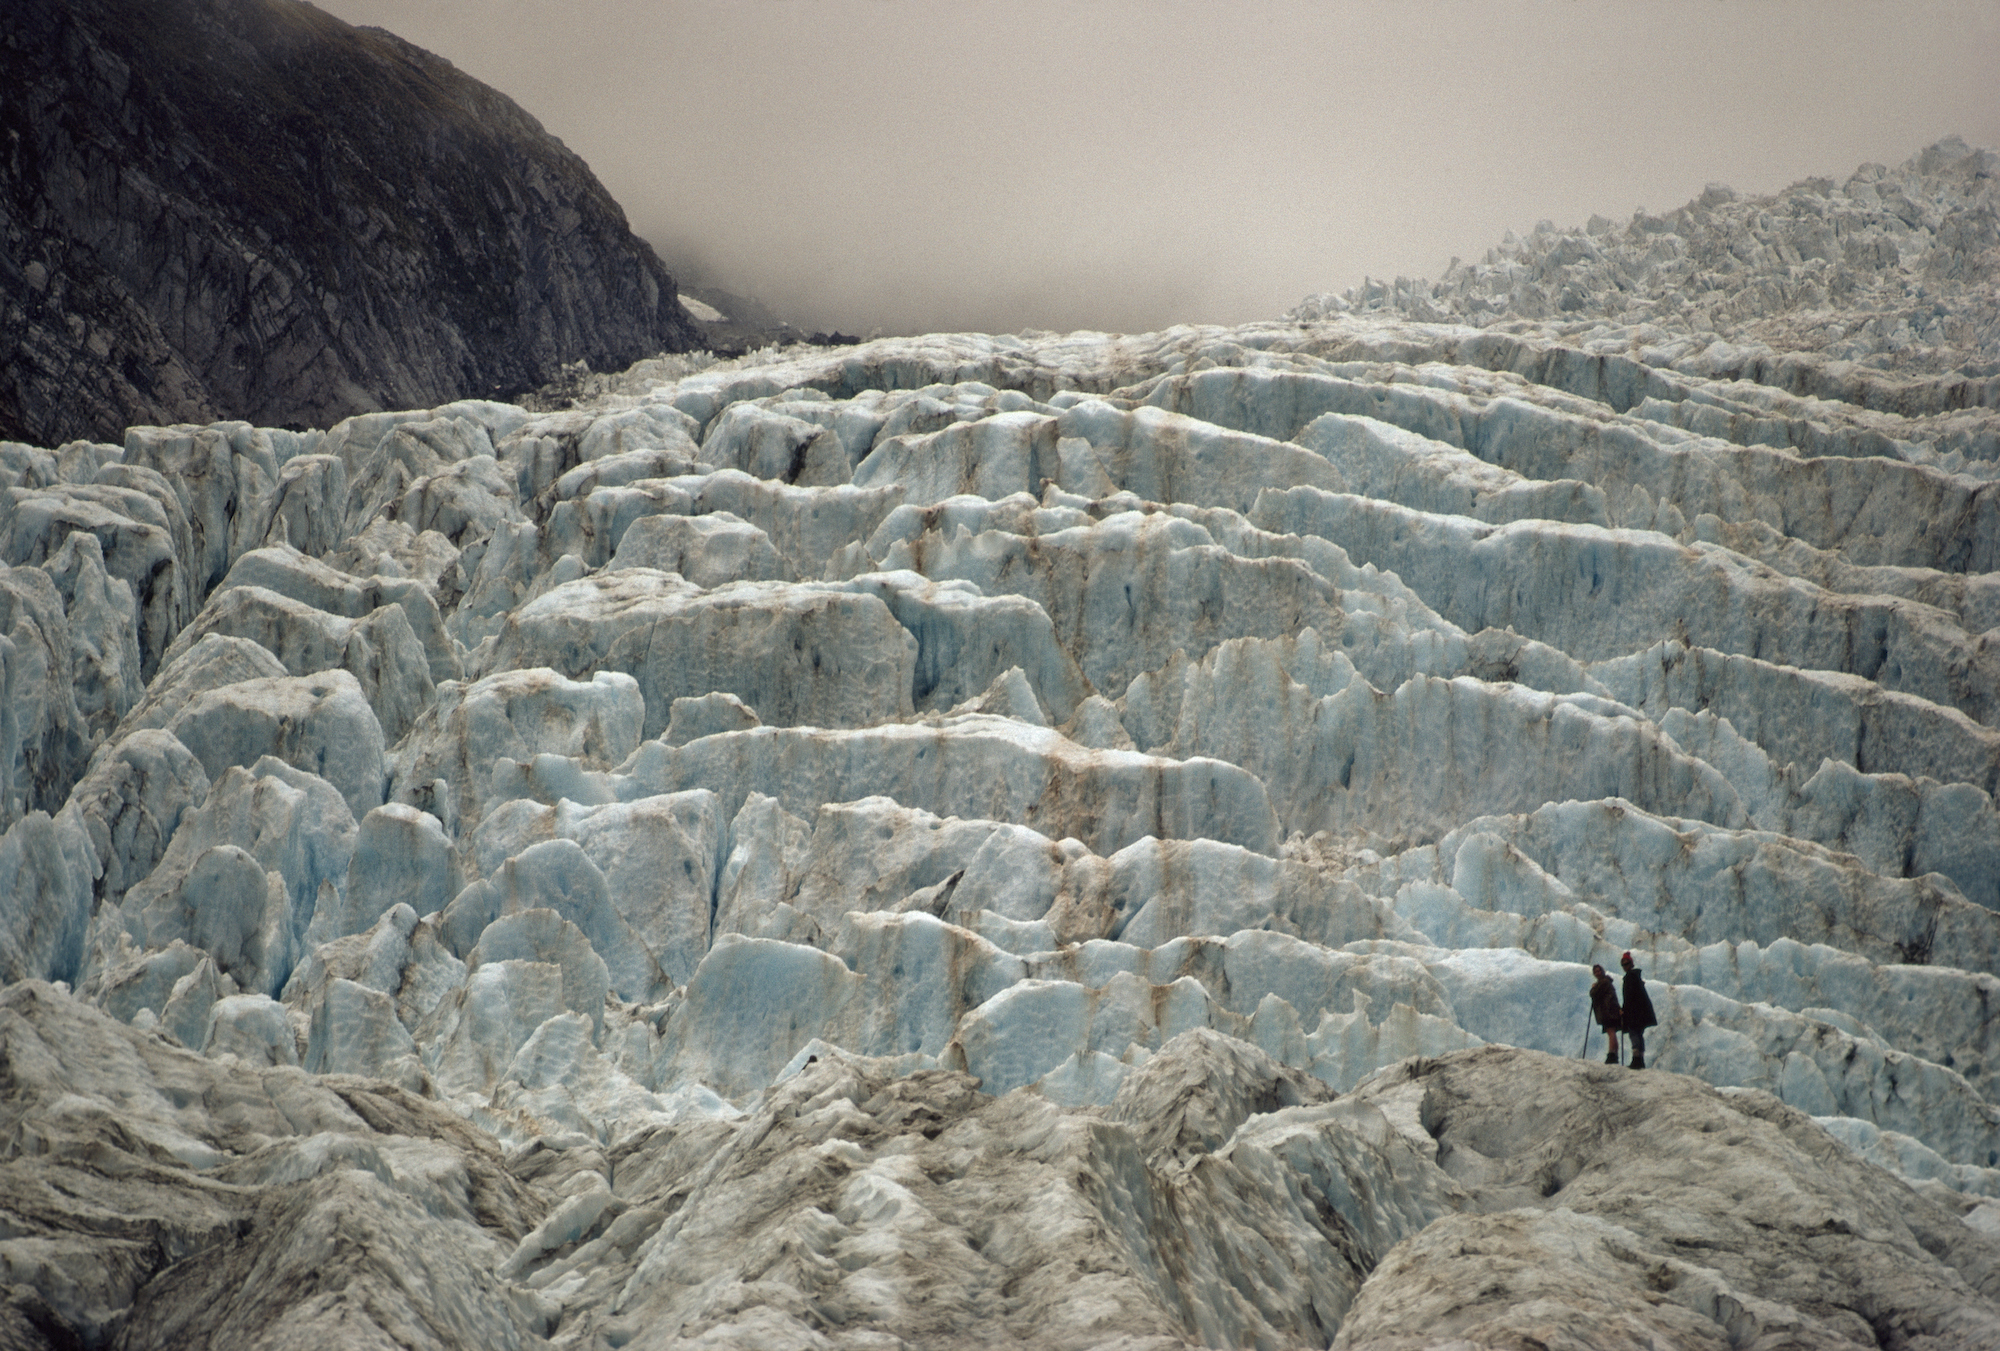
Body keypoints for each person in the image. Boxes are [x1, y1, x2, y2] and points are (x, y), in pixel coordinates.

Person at [1620, 951, 1657, 1069]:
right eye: (1623, 964)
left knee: (1634, 1034)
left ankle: (1636, 1060)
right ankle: (1640, 1059)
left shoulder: (1630, 977)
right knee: (1639, 1034)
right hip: (1640, 1012)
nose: (1625, 966)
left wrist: (1624, 1009)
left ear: (1631, 964)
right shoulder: (1635, 977)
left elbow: (1629, 996)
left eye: (1626, 964)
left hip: (1634, 1012)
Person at [1590, 964, 1622, 1064]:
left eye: (1598, 971)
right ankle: (1614, 1054)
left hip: (1608, 1011)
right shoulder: (1606, 981)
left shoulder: (1603, 982)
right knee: (1612, 1031)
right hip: (1611, 1010)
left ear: (1602, 971)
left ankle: (1612, 1054)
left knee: (1610, 1031)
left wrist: (1593, 988)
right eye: (1595, 972)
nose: (1597, 973)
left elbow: (1594, 994)